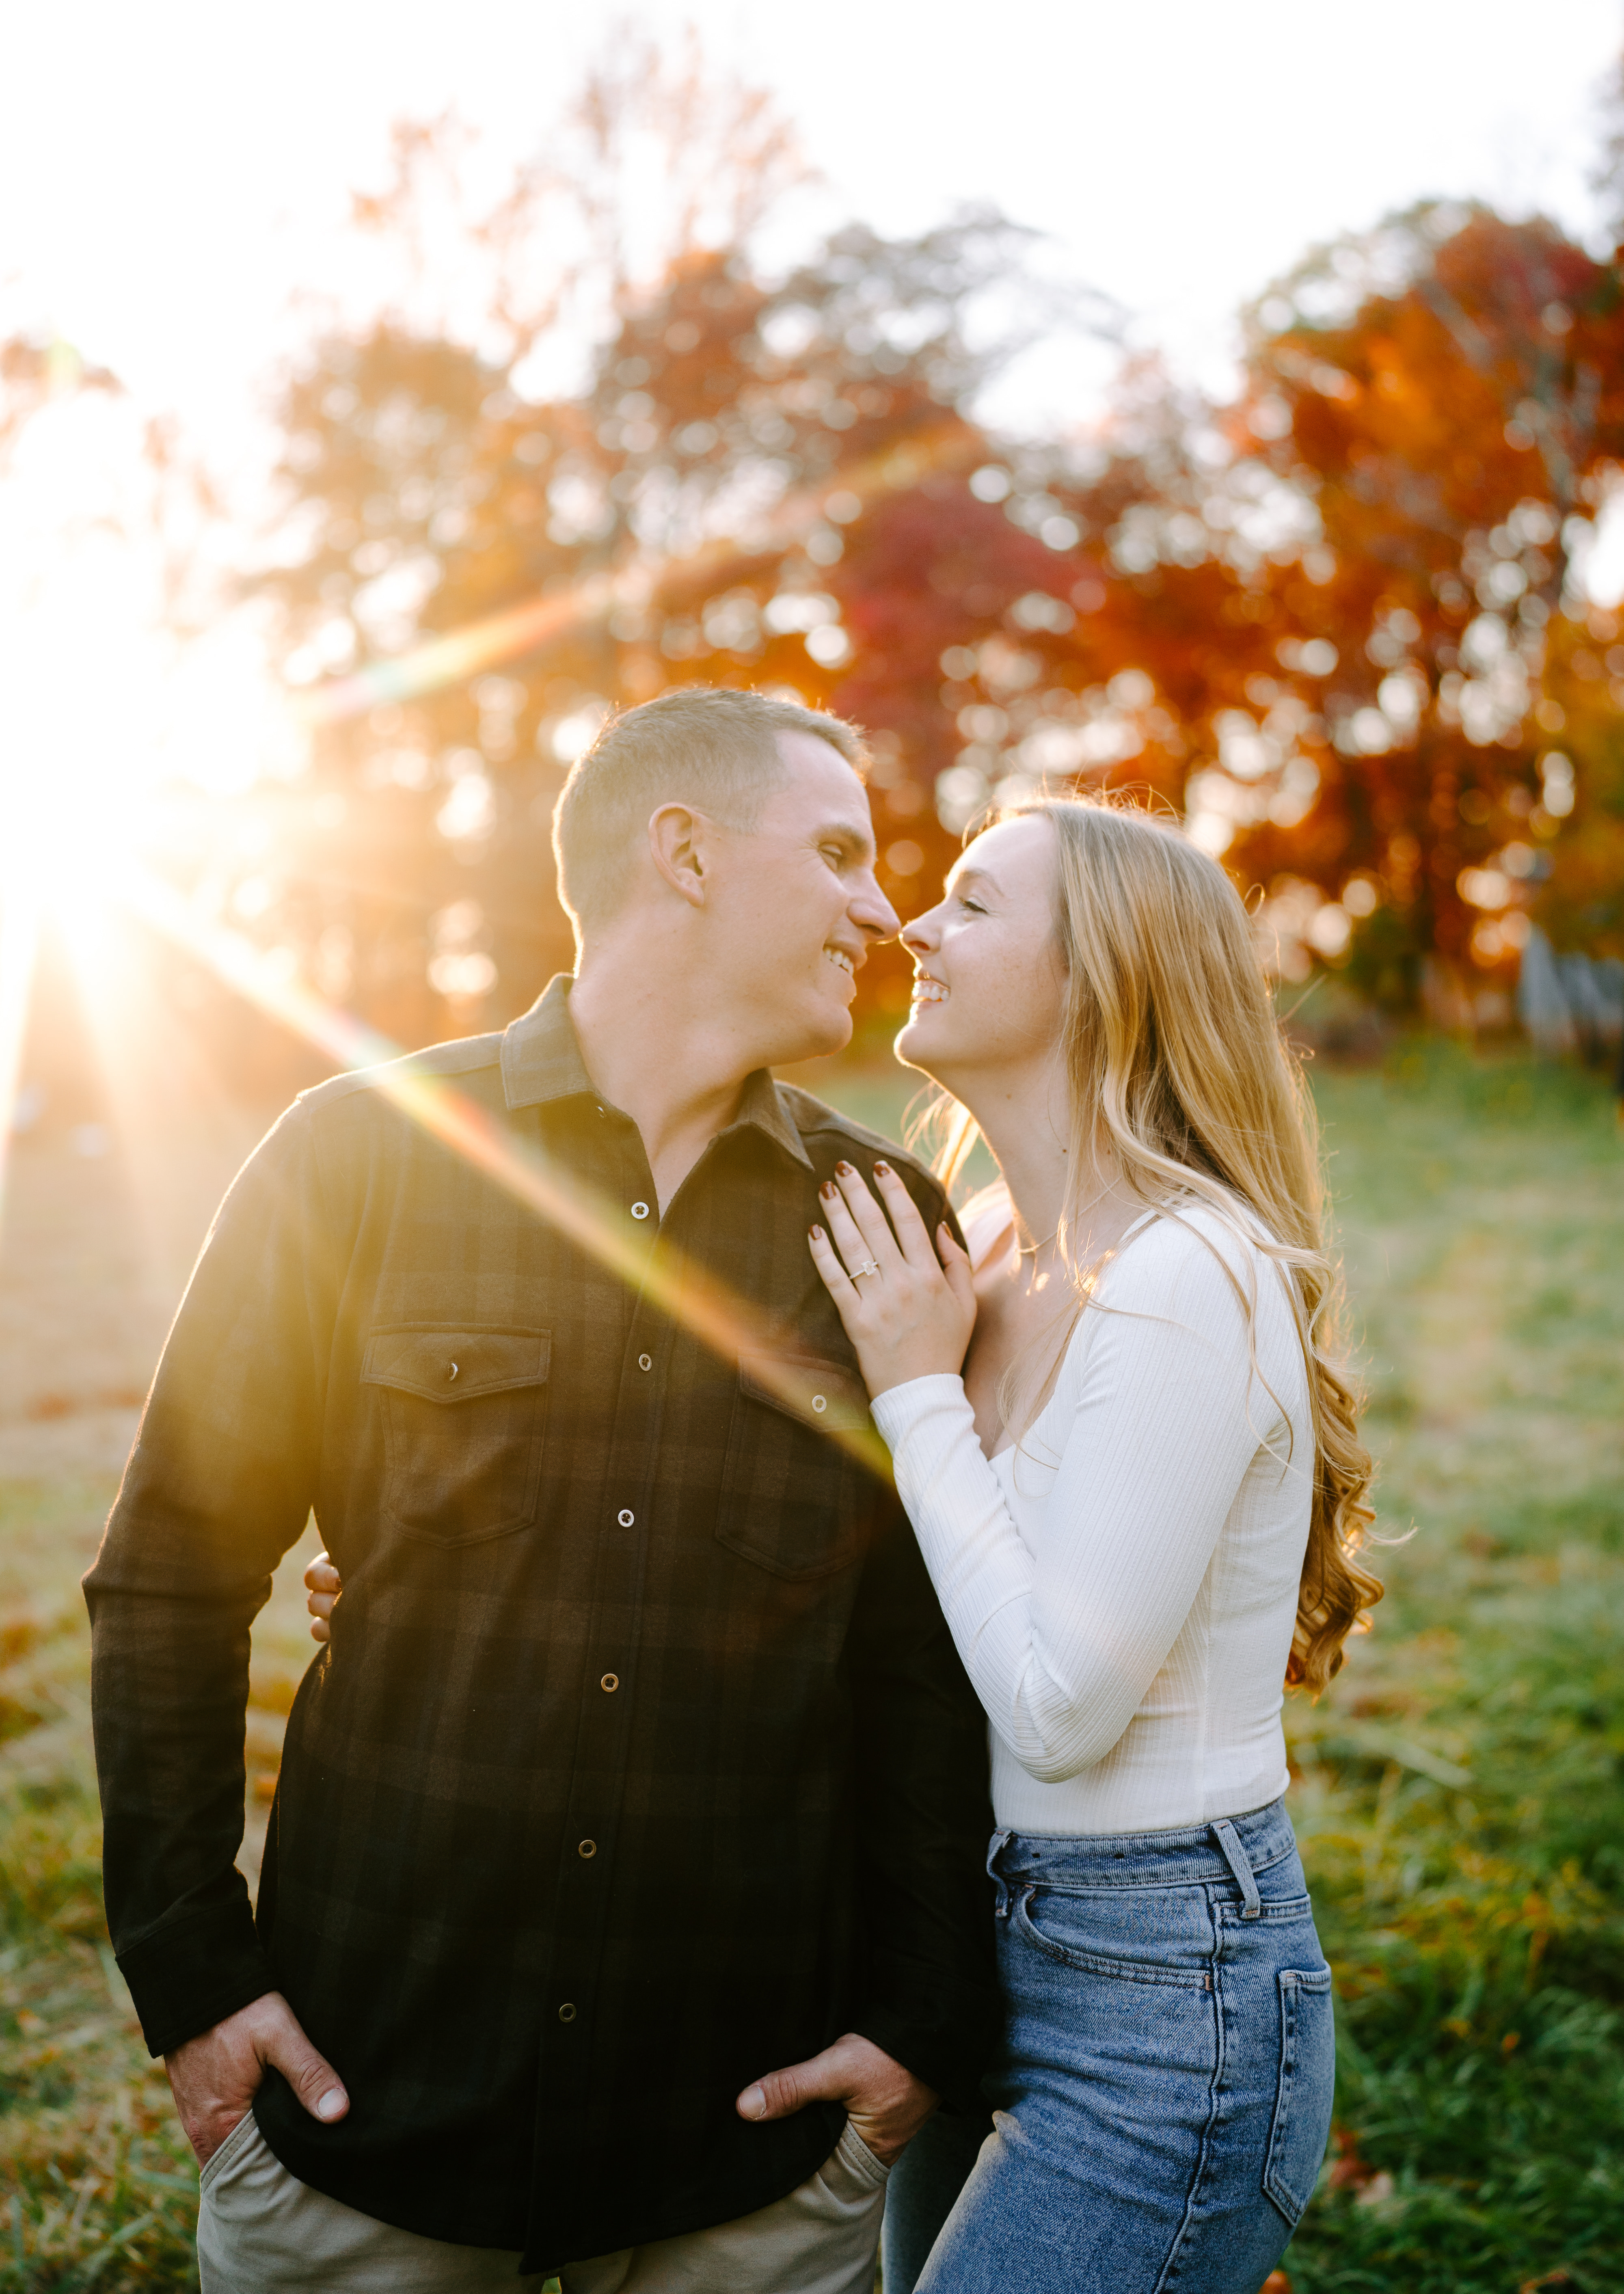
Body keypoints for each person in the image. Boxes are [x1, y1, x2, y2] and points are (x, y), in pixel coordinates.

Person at [84, 687, 998, 2294]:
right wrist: (193, 1986)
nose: (881, 906)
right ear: (686, 855)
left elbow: (921, 1655)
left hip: (752, 2160)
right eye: (841, 852)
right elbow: (169, 1580)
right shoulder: (352, 1157)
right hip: (362, 2128)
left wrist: (910, 2026)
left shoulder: (879, 1216)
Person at [742, 797, 1380, 2291]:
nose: (917, 926)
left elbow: (1055, 1705)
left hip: (1166, 1996)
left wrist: (913, 1387)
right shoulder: (985, 1251)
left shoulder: (1185, 1276)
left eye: (972, 904)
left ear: (1097, 974)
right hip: (979, 1938)